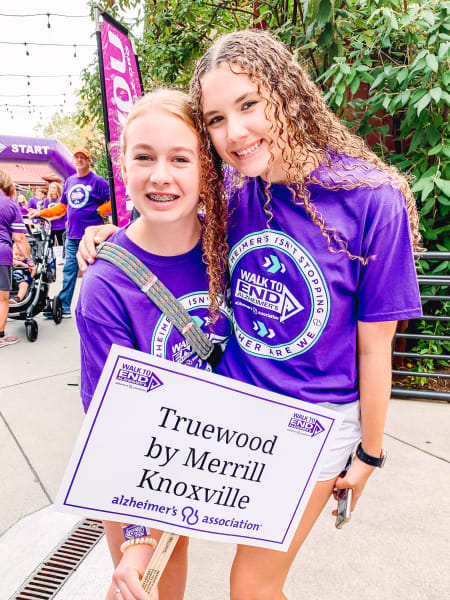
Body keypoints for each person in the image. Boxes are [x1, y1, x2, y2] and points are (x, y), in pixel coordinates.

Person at [78, 30, 422, 600]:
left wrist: (371, 452)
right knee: (158, 565)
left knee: (252, 587)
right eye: (215, 119)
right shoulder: (237, 189)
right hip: (228, 417)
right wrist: (113, 239)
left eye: (249, 105)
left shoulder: (372, 198)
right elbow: (170, 216)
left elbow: (375, 346)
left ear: (288, 93)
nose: (234, 133)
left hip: (312, 428)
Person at [76, 89, 231, 600]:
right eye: (143, 157)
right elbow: (111, 423)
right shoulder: (104, 287)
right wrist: (137, 538)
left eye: (180, 159)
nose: (160, 175)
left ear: (206, 170)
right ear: (122, 166)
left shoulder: (234, 247)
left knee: (177, 557)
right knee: (141, 580)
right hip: (134, 463)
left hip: (209, 454)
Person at [29, 147, 111, 318]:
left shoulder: (99, 181)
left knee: (94, 274)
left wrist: (100, 211)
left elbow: (113, 202)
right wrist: (41, 213)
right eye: (77, 157)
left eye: (83, 157)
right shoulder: (69, 182)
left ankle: (97, 311)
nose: (80, 160)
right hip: (72, 236)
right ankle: (64, 307)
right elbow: (62, 207)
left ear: (89, 161)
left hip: (92, 237)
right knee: (69, 272)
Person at [0, 169, 36, 347]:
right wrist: (29, 261)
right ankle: (0, 336)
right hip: (1, 252)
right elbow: (19, 238)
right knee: (2, 298)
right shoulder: (9, 204)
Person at [43, 181, 66, 247]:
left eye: (54, 188)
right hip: (50, 226)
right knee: (50, 245)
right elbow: (45, 213)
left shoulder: (61, 200)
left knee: (61, 244)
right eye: (51, 188)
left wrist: (51, 218)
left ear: (58, 189)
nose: (52, 189)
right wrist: (46, 225)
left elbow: (62, 213)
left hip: (61, 226)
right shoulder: (47, 200)